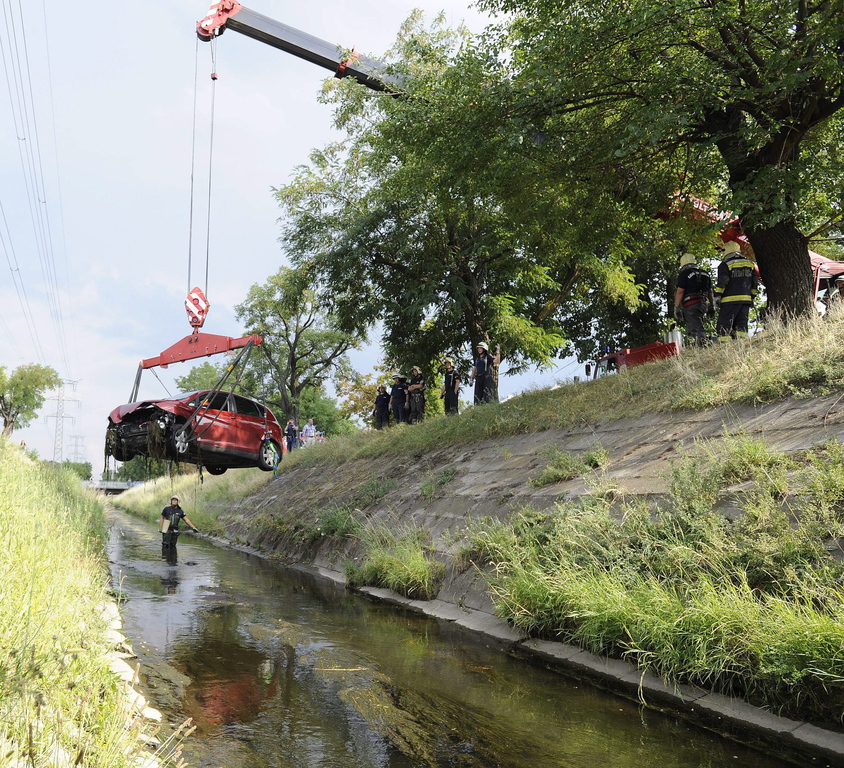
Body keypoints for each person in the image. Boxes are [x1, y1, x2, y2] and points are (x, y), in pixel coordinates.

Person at [714, 240, 758, 342]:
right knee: (741, 325)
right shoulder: (750, 263)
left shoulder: (725, 264)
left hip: (729, 301)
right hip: (745, 300)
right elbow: (755, 283)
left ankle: (725, 348)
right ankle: (741, 345)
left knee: (724, 325)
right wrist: (752, 297)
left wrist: (717, 296)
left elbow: (723, 282)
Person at [673, 252, 715, 346]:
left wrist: (676, 307)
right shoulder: (705, 274)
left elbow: (680, 291)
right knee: (698, 323)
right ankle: (701, 344)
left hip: (691, 303)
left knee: (696, 327)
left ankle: (703, 346)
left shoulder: (684, 274)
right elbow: (710, 292)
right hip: (703, 303)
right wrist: (711, 306)